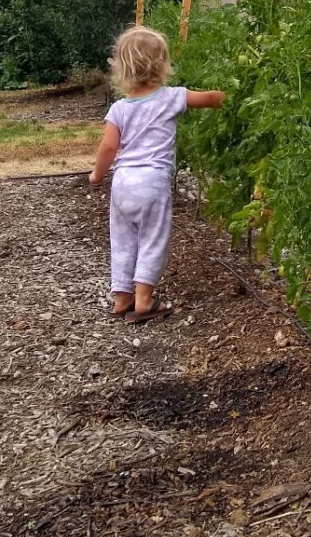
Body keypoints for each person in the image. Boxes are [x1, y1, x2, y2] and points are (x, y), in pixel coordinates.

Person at [89, 26, 224, 323]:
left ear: (121, 69)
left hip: (122, 184)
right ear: (162, 65)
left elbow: (109, 146)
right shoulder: (171, 97)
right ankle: (144, 300)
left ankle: (122, 298)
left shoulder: (119, 109)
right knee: (152, 239)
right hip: (153, 182)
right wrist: (230, 96)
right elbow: (210, 98)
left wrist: (97, 175)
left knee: (123, 240)